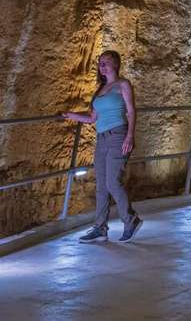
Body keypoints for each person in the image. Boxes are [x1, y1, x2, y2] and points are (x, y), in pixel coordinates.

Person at [60, 49, 142, 242]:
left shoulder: (123, 84)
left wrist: (130, 136)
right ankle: (100, 228)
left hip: (118, 136)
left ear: (116, 64)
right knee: (102, 186)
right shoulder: (100, 89)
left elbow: (131, 111)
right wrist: (71, 115)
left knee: (113, 182)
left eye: (106, 61)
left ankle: (131, 220)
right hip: (102, 138)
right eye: (100, 62)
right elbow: (92, 118)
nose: (102, 65)